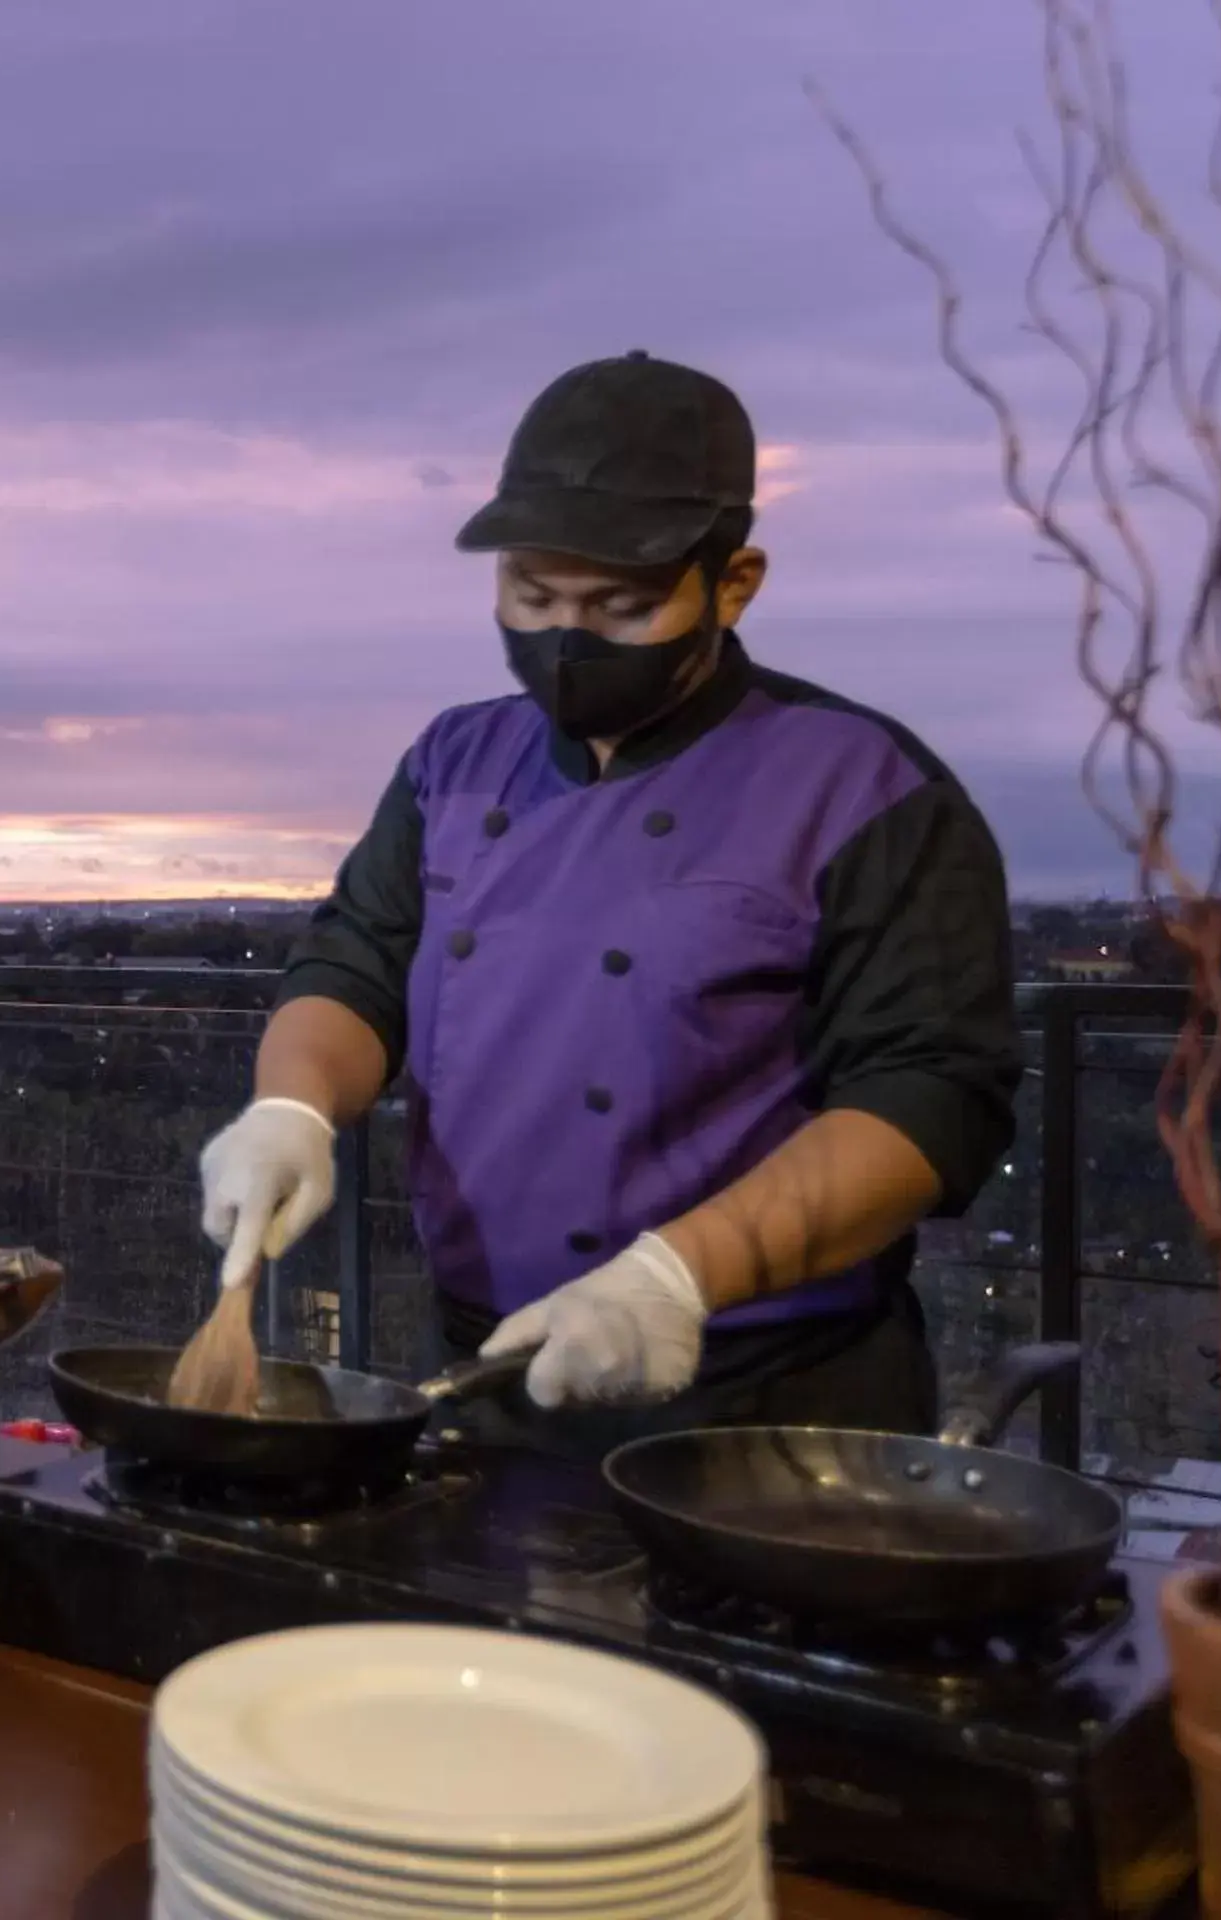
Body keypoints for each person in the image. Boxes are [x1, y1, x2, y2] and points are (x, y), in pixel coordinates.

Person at [196, 352, 1020, 1457]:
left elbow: (930, 1100)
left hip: (767, 1400)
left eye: (621, 607)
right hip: (485, 1370)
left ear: (733, 584)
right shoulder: (455, 760)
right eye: (532, 597)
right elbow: (355, 965)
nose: (567, 639)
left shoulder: (863, 787)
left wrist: (679, 1274)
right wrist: (290, 1108)